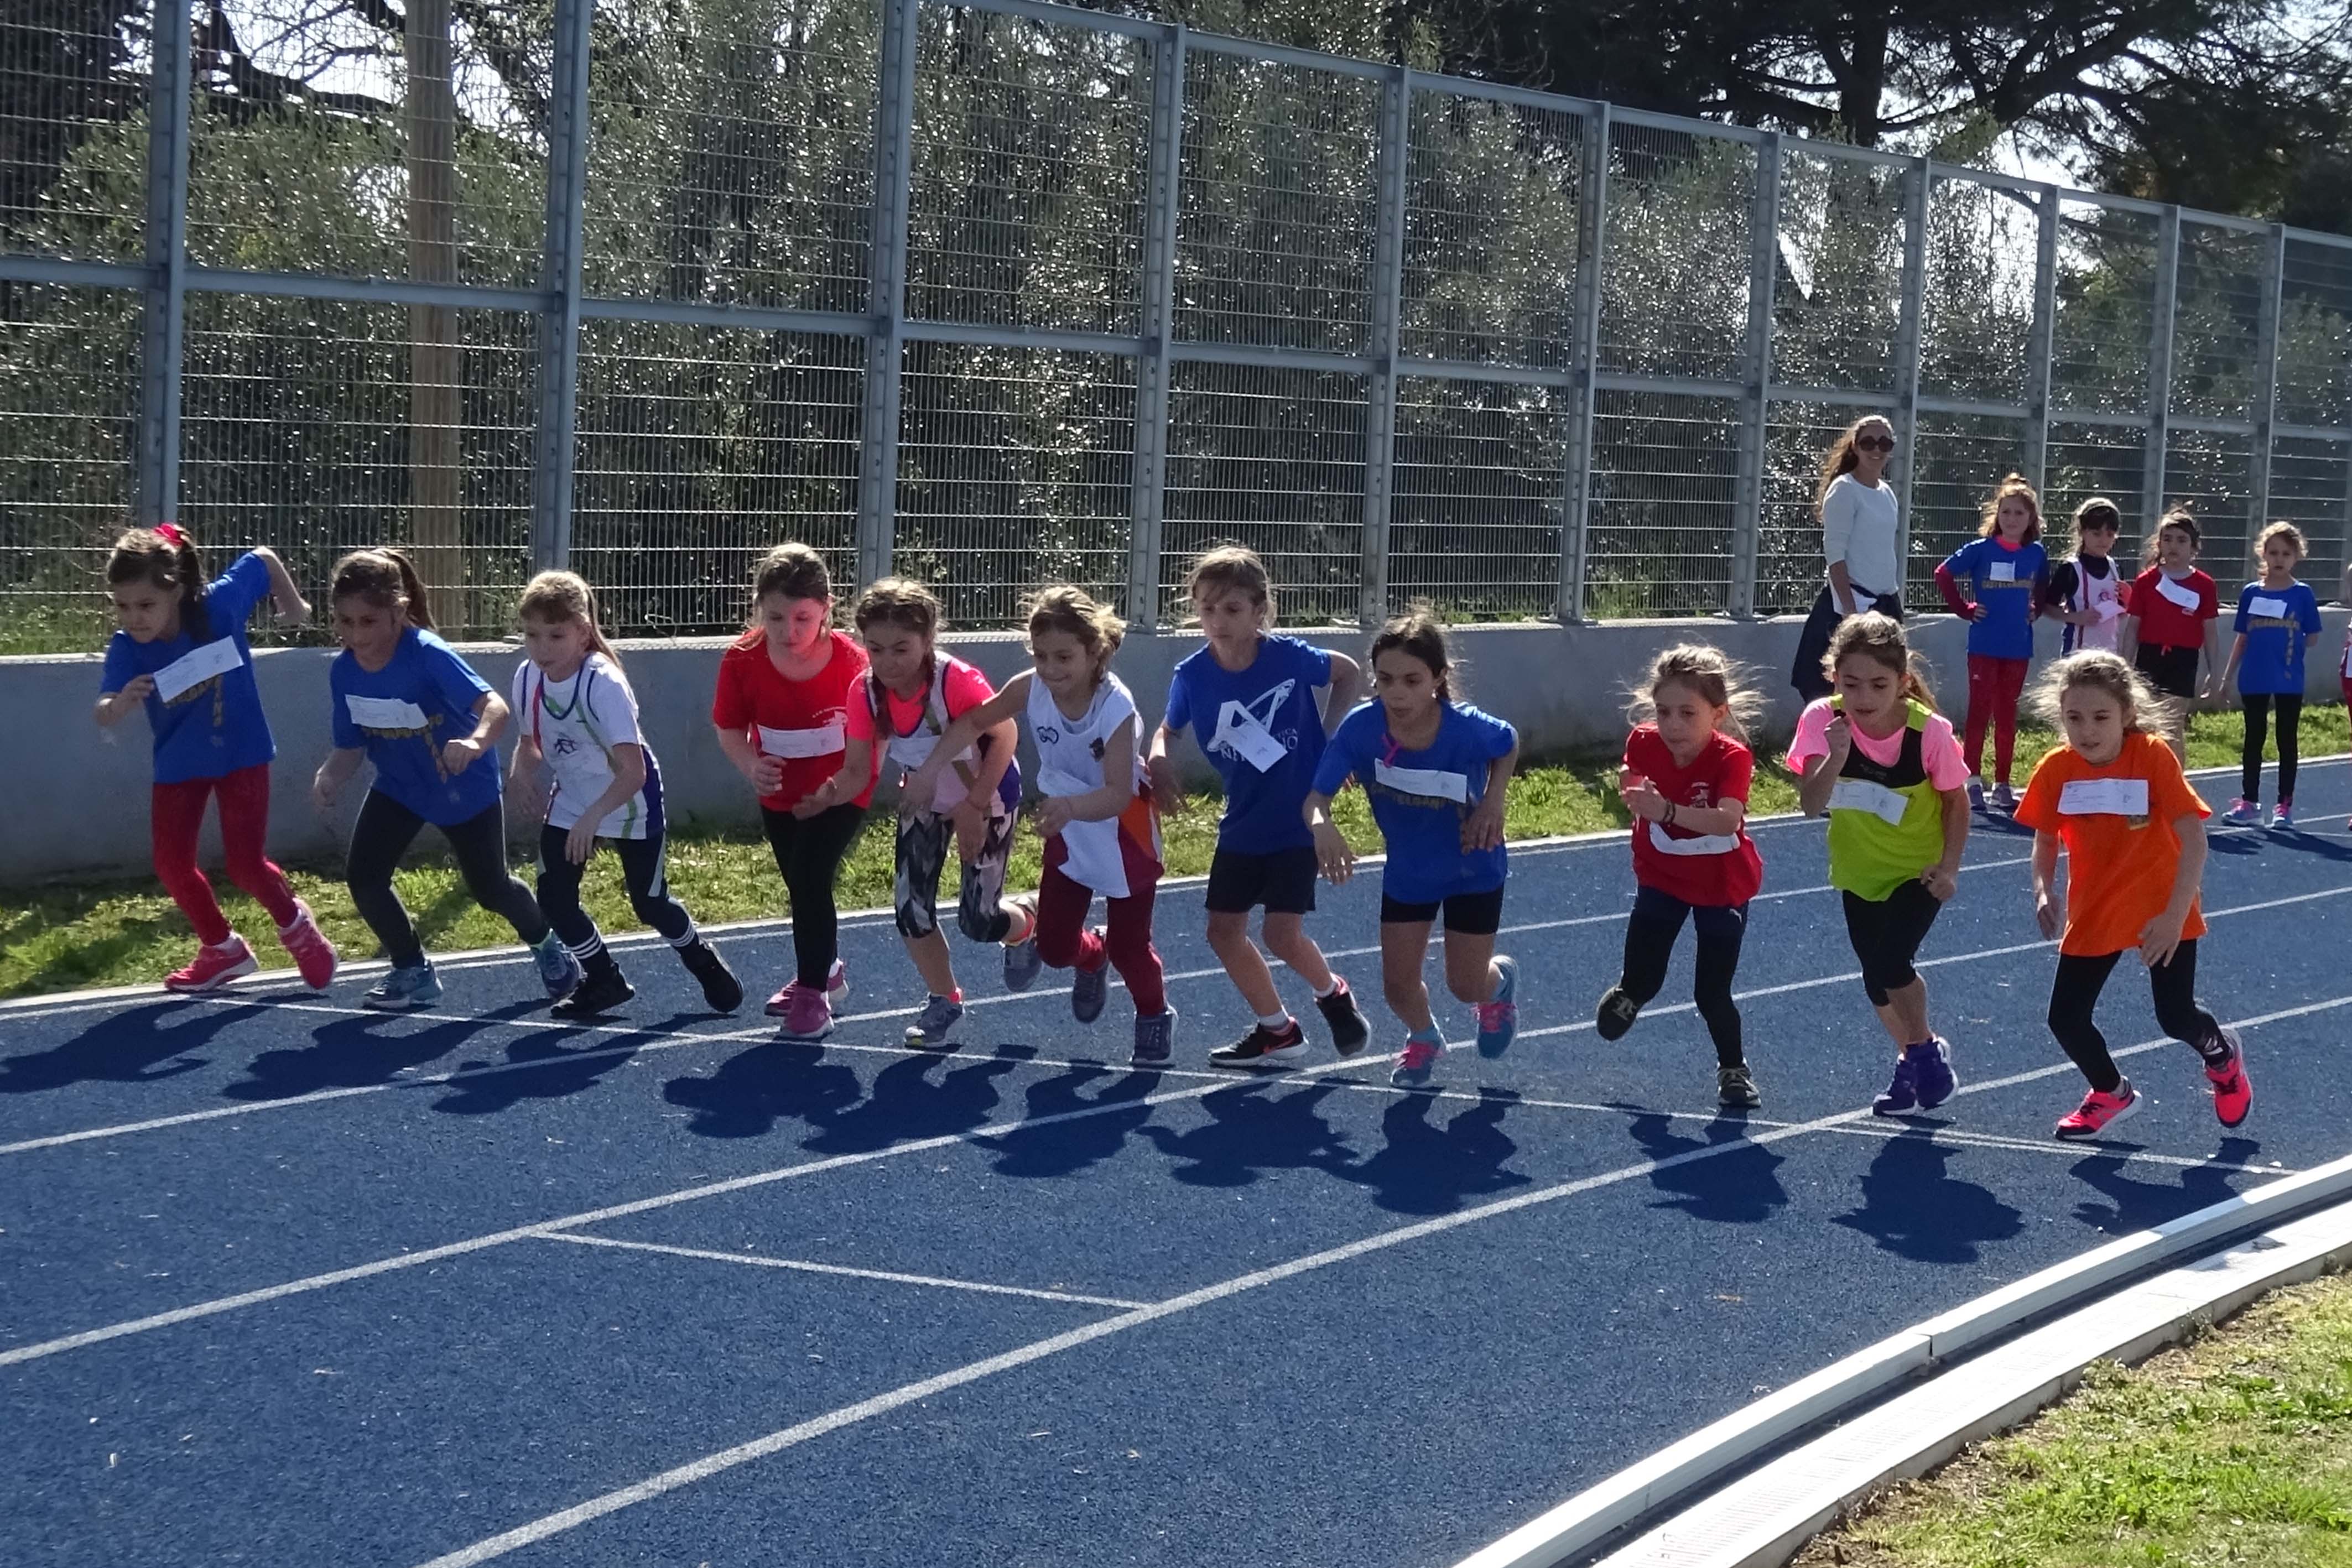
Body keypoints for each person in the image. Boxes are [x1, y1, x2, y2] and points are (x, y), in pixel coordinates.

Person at [906, 586, 1175, 1066]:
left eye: (1064, 657)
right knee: (1053, 946)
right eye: (1041, 655)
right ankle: (1092, 954)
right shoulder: (1030, 687)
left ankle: (1154, 1013)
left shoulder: (1115, 707)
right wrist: (929, 769)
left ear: (1095, 653)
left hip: (1122, 829)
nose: (1050, 669)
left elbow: (1118, 792)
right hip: (1067, 824)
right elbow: (972, 723)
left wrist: (1070, 806)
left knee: (1132, 946)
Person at [311, 550, 581, 1011]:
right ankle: (412, 968)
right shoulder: (345, 671)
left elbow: (495, 707)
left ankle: (547, 944)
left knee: (491, 888)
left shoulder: (428, 655)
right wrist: (330, 775)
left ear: (398, 612)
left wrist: (475, 743)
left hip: (464, 788)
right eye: (345, 622)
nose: (356, 635)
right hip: (400, 788)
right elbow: (350, 745)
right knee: (365, 877)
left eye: (368, 621)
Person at [1147, 546, 1371, 1068]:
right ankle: (1277, 1028)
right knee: (1222, 932)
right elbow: (1168, 728)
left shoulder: (1288, 657)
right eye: (1207, 608)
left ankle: (1332, 994)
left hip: (1298, 818)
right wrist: (1158, 759)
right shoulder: (1193, 675)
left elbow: (1347, 672)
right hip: (1242, 822)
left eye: (1232, 609)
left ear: (1260, 610)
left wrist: (1333, 740)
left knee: (1280, 933)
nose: (1217, 621)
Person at [2014, 650, 2250, 1138]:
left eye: (2101, 717)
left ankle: (2222, 1056)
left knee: (2175, 1016)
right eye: (2074, 718)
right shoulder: (2057, 769)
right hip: (2096, 905)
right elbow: (2045, 839)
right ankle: (2111, 1091)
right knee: (2066, 1018)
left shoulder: (2152, 756)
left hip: (2162, 902)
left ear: (2126, 713)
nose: (2087, 730)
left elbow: (2195, 840)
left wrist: (2174, 917)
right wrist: (2042, 889)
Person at [93, 523, 339, 992]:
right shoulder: (128, 648)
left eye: (145, 605)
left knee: (245, 865)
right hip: (179, 764)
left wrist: (295, 605)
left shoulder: (217, 607)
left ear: (176, 592)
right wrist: (119, 705)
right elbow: (102, 710)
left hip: (242, 755)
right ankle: (223, 949)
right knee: (171, 864)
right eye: (122, 606)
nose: (134, 618)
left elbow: (263, 557)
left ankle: (298, 928)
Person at [507, 571, 743, 1018]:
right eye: (532, 635)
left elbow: (633, 772)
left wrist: (594, 817)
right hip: (574, 797)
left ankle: (700, 958)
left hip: (629, 799)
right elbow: (530, 744)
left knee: (649, 903)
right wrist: (520, 777)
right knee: (554, 898)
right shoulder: (526, 678)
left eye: (556, 635)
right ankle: (604, 978)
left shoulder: (603, 683)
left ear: (583, 633)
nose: (542, 648)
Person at [1304, 606, 1520, 1090]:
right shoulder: (1361, 729)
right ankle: (1424, 1036)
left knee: (1465, 985)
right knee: (1397, 985)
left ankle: (1498, 985)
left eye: (1412, 680)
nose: (1397, 693)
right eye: (1385, 680)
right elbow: (1316, 798)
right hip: (1410, 869)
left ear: (1438, 678)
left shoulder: (1466, 728)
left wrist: (1493, 802)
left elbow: (1507, 743)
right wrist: (1323, 827)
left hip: (1472, 865)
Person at [841, 577, 1039, 1049]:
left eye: (901, 649)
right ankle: (944, 1000)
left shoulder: (955, 681)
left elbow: (1006, 735)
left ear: (928, 639)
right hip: (925, 798)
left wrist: (975, 805)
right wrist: (822, 800)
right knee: (910, 910)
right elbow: (856, 768)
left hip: (987, 794)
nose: (888, 662)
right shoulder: (865, 691)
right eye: (875, 649)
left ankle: (1028, 920)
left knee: (979, 921)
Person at [1788, 613, 1970, 1116]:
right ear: (1834, 678)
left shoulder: (1928, 732)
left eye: (1878, 685)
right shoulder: (1821, 721)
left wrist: (1949, 866)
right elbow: (1810, 805)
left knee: (1892, 962)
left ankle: (1925, 1053)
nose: (1863, 697)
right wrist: (1836, 755)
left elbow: (1956, 801)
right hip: (1859, 870)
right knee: (1876, 978)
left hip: (1917, 869)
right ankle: (1914, 1058)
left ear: (1903, 681)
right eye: (1851, 684)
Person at [711, 543, 873, 1042]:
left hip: (842, 788)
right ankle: (828, 971)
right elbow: (729, 728)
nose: (789, 631)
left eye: (803, 618)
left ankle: (812, 997)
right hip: (781, 794)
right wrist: (752, 766)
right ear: (759, 608)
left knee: (809, 877)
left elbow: (874, 741)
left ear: (827, 608)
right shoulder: (742, 659)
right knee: (802, 886)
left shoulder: (854, 663)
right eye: (776, 618)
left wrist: (837, 788)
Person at [1594, 645, 1767, 1108]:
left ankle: (1734, 1069)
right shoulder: (1643, 742)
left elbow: (1727, 820)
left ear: (1718, 713)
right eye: (1663, 711)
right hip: (1662, 873)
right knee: (1644, 976)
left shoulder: (1732, 757)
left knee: (1711, 992)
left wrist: (1668, 810)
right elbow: (1630, 779)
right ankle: (1630, 993)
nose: (1673, 725)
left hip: (1721, 883)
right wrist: (1632, 790)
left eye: (1687, 713)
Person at [1935, 472, 2049, 813]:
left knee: (2007, 715)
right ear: (1997, 515)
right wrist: (1964, 609)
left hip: (2018, 647)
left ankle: (2002, 783)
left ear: (2031, 519)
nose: (2012, 519)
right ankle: (1972, 780)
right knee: (1979, 713)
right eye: (2006, 512)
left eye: (2019, 513)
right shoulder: (1981, 549)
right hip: (1984, 645)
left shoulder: (2036, 553)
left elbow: (2044, 585)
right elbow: (1943, 573)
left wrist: (2036, 608)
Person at [1791, 415, 1905, 704]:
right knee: (1831, 693)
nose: (1876, 450)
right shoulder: (1844, 489)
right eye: (1868, 443)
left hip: (1884, 605)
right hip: (1849, 607)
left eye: (1885, 443)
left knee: (1884, 689)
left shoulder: (1887, 493)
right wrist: (1850, 615)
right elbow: (1835, 556)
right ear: (1855, 446)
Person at [2217, 522, 2322, 829]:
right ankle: (2250, 803)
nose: (2279, 559)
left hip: (2289, 677)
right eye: (2273, 552)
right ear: (2263, 554)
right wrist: (2225, 678)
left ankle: (2284, 805)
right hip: (2254, 675)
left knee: (2286, 739)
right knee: (2254, 738)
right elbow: (2242, 638)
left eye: (2286, 554)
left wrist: (2290, 637)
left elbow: (2313, 637)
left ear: (2296, 557)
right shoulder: (2251, 593)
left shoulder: (2302, 594)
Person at [2120, 507, 2224, 762]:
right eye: (2167, 539)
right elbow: (2133, 628)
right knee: (2146, 724)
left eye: (2181, 540)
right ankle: (2148, 776)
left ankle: (2175, 779)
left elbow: (2210, 633)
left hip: (2183, 660)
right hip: (2149, 657)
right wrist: (2124, 666)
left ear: (2194, 547)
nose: (2173, 546)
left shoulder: (2204, 585)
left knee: (2172, 723)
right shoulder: (2146, 581)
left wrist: (2215, 673)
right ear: (2159, 544)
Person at [2039, 497, 2129, 655]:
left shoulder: (2116, 569)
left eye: (2110, 535)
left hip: (2109, 653)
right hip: (2077, 652)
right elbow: (2047, 607)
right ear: (2082, 531)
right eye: (2096, 534)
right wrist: (2075, 617)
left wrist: (2127, 603)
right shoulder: (2071, 569)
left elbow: (2122, 613)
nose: (2103, 540)